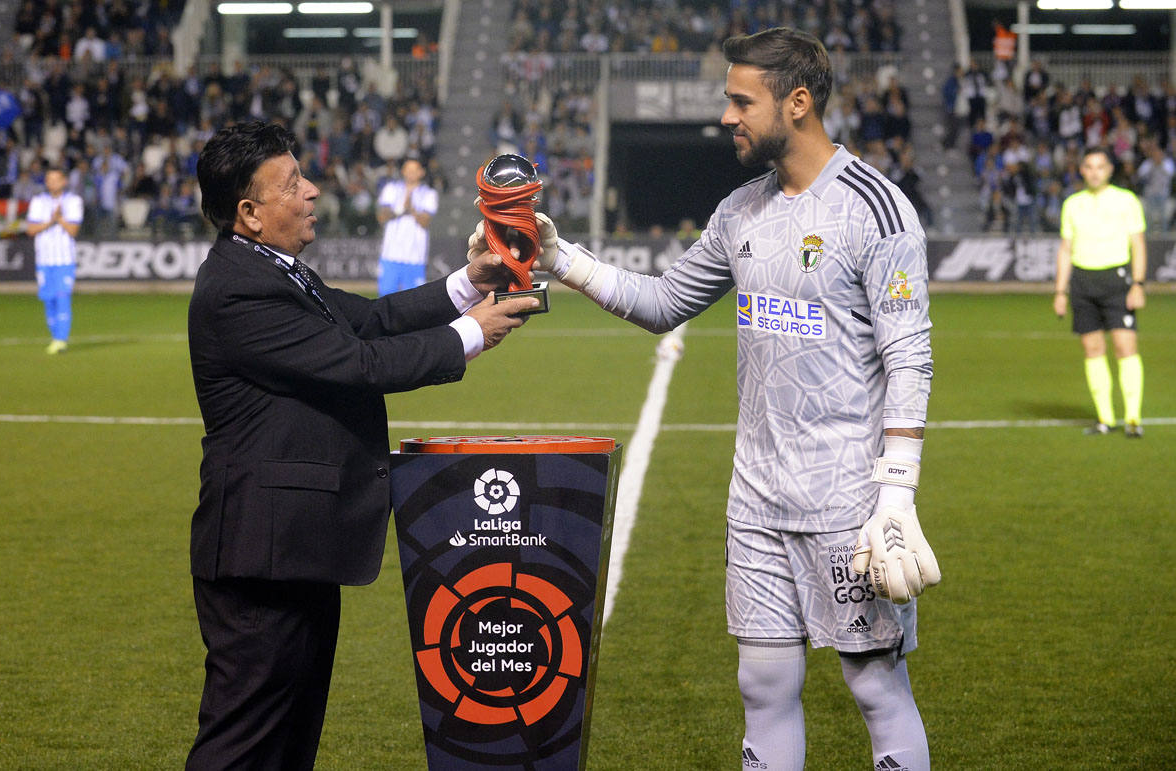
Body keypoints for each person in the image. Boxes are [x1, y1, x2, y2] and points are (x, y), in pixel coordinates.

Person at [502, 27, 940, 770]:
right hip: (756, 500)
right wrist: (560, 258)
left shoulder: (875, 208)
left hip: (849, 504)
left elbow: (909, 355)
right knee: (763, 685)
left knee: (874, 686)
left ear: (797, 102)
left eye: (742, 100)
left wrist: (894, 495)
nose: (727, 116)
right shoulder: (739, 210)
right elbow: (664, 299)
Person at [185, 121, 537, 770]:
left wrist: (469, 281)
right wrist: (471, 333)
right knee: (243, 744)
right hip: (261, 555)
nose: (313, 190)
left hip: (296, 547)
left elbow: (372, 319)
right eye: (293, 183)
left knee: (288, 741)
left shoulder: (274, 268)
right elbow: (362, 362)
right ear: (250, 213)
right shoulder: (239, 286)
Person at [1053, 146, 1147, 437]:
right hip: (1082, 282)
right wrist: (1060, 291)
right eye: (1089, 167)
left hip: (1117, 281)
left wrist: (1138, 283)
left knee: (1124, 347)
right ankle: (1105, 420)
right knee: (1093, 349)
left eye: (1100, 166)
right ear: (1082, 170)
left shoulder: (1126, 200)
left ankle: (1132, 418)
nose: (1095, 172)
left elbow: (1138, 244)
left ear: (1109, 170)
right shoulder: (1072, 204)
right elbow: (1065, 249)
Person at [25, 164, 82, 354]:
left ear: (64, 181)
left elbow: (73, 230)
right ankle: (55, 337)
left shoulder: (74, 201)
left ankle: (61, 340)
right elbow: (31, 230)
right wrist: (51, 221)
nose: (52, 183)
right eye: (49, 179)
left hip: (65, 259)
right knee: (48, 299)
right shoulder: (38, 201)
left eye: (56, 179)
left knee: (62, 296)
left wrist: (60, 219)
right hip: (44, 260)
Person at [376, 157, 438, 295]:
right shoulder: (391, 189)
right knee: (385, 298)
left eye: (415, 170)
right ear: (403, 171)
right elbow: (382, 217)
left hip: (415, 257)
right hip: (390, 255)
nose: (411, 173)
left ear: (421, 172)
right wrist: (401, 210)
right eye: (408, 170)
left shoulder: (429, 194)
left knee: (413, 301)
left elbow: (425, 222)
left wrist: (412, 209)